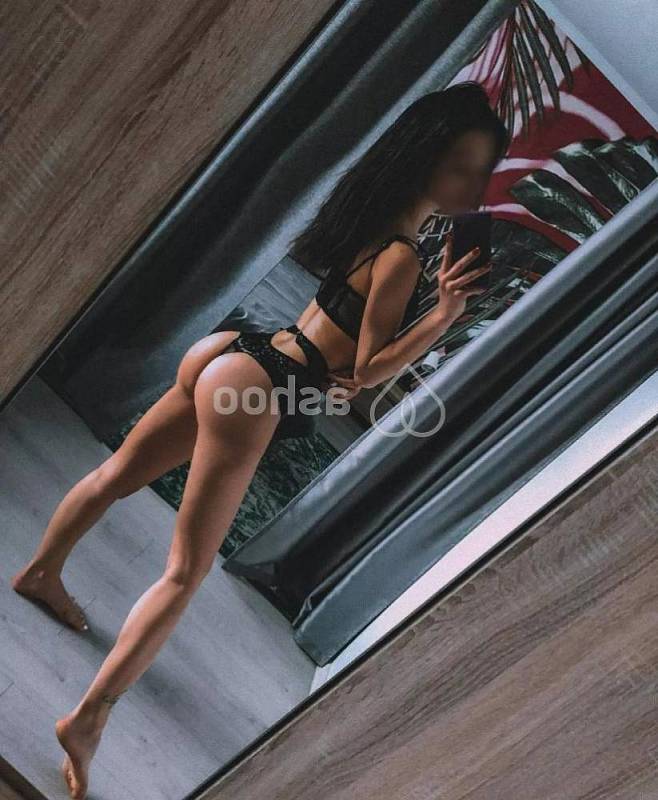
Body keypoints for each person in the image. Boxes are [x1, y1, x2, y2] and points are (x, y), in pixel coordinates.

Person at [10, 80, 509, 799]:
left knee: (116, 473)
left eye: (480, 170)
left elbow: (341, 351)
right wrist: (444, 316)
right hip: (256, 392)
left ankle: (40, 572)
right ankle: (86, 721)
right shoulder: (403, 254)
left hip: (233, 352)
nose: (473, 184)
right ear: (425, 158)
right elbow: (370, 370)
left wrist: (345, 370)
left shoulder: (373, 217)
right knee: (184, 574)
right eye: (462, 166)